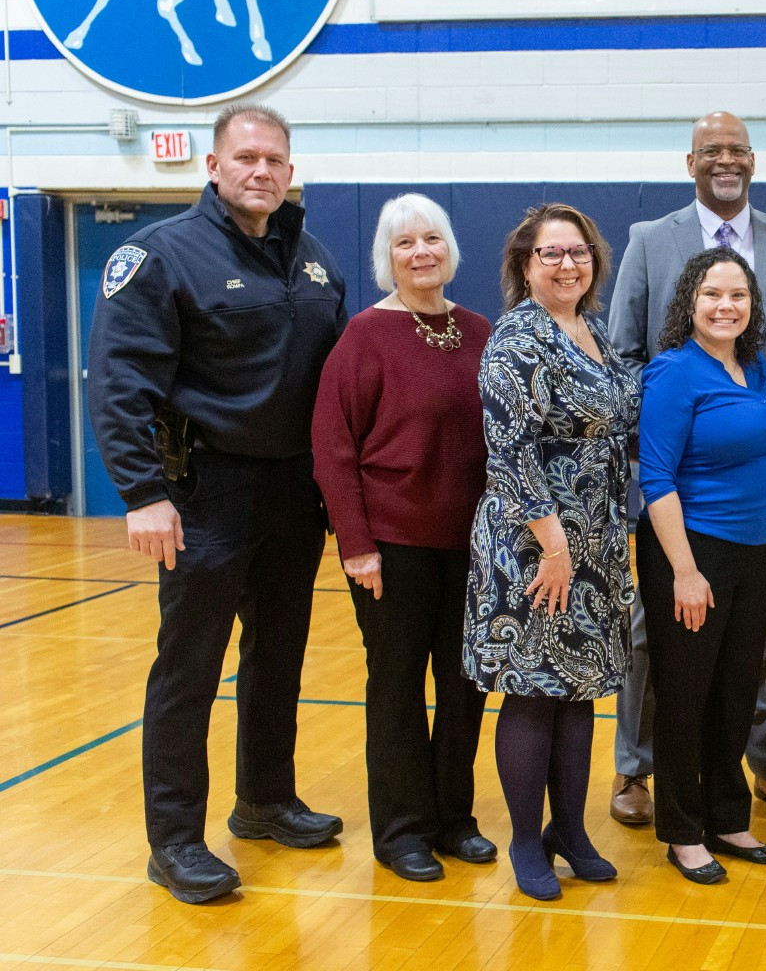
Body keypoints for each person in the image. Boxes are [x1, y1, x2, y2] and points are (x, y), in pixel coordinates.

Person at [87, 103, 346, 904]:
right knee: (188, 671)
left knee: (278, 659)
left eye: (275, 159)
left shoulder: (313, 260)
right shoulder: (161, 255)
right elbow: (121, 381)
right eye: (246, 158)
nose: (261, 170)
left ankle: (264, 800)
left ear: (290, 171)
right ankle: (173, 842)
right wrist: (142, 494)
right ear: (213, 165)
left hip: (292, 494)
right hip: (204, 494)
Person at [606, 110, 766, 827]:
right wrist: (685, 426)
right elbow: (625, 353)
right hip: (682, 486)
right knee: (656, 629)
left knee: (754, 639)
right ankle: (637, 771)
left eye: (735, 149)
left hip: (763, 479)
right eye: (710, 150)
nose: (723, 160)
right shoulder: (649, 241)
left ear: (753, 160)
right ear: (690, 160)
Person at [312, 194, 493, 883]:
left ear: (450, 249)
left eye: (432, 240)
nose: (421, 253)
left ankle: (454, 818)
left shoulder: (477, 330)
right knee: (395, 690)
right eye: (404, 244)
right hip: (391, 546)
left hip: (473, 548)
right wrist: (356, 545)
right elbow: (332, 450)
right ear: (386, 258)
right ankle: (400, 830)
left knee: (463, 685)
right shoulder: (363, 337)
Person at [463, 204, 640, 902]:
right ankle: (527, 842)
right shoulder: (517, 339)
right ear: (525, 266)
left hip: (593, 540)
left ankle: (571, 828)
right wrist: (554, 546)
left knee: (579, 691)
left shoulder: (591, 329)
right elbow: (509, 453)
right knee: (535, 692)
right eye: (551, 254)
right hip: (535, 546)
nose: (567, 264)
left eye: (578, 252)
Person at [637, 246, 766, 883]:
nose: (725, 306)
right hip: (691, 550)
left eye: (738, 296)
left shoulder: (752, 369)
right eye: (712, 295)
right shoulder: (674, 373)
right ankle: (680, 830)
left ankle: (727, 817)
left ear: (752, 306)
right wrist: (684, 570)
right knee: (685, 693)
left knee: (736, 691)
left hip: (757, 552)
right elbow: (656, 477)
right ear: (690, 303)